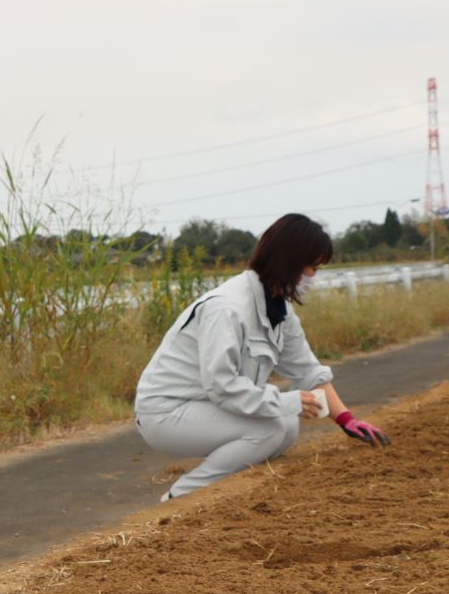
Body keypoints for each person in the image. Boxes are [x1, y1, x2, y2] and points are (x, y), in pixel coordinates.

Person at [133, 213, 390, 501]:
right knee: (268, 429)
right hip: (167, 412)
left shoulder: (279, 308)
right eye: (312, 268)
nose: (313, 277)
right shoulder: (227, 308)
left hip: (205, 404)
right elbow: (222, 386)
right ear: (289, 261)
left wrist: (347, 420)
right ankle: (181, 498)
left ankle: (230, 487)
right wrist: (285, 401)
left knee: (287, 425)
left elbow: (308, 371)